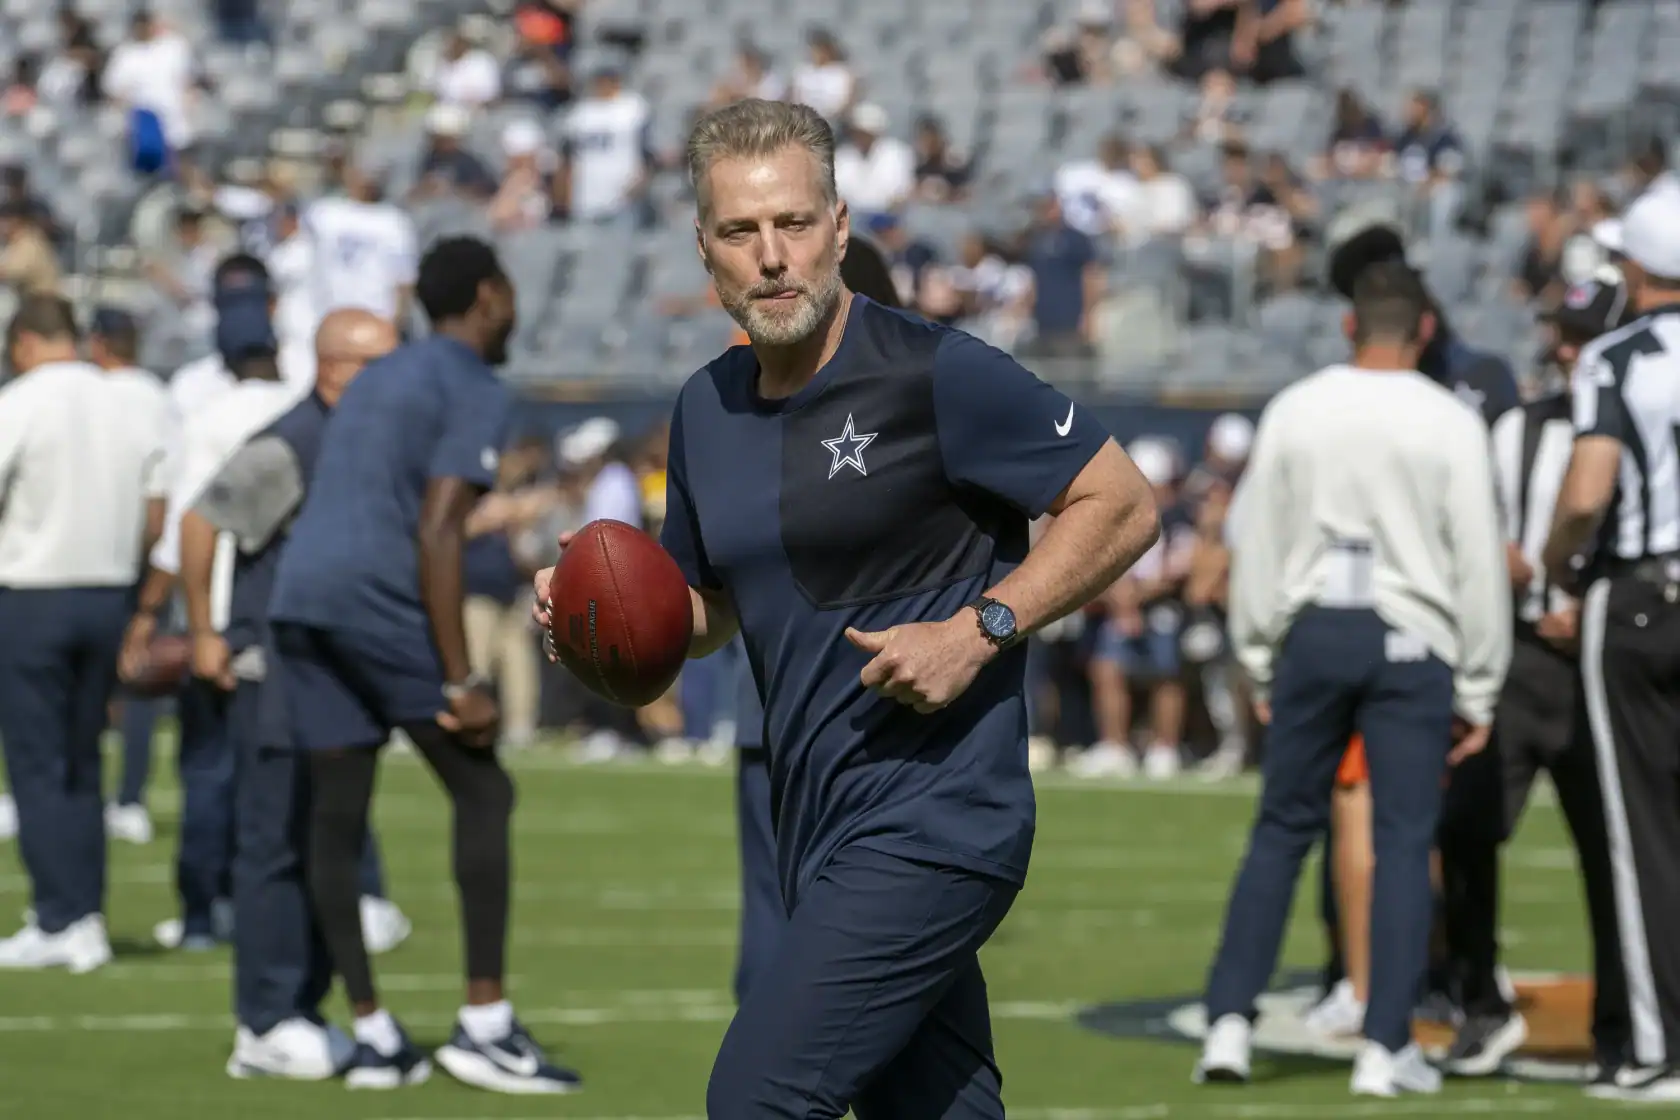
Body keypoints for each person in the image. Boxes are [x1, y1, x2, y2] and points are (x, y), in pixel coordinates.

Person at [534, 98, 1159, 1118]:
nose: (772, 256)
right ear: (706, 251)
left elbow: (1123, 503)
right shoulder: (705, 408)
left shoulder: (936, 373)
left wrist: (979, 628)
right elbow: (708, 615)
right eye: (741, 231)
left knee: (758, 1100)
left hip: (937, 823)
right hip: (814, 829)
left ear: (839, 227)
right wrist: (587, 621)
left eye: (792, 223)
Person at [268, 236, 580, 1094]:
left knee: (337, 814)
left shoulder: (380, 375)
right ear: (488, 294)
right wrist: (457, 680)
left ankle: (372, 1034)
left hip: (301, 598)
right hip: (376, 598)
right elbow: (439, 527)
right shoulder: (470, 381)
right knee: (486, 789)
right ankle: (483, 1025)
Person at [1196, 261, 1509, 1097]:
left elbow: (1256, 537)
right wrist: (1482, 681)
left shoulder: (1297, 407)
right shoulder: (1448, 419)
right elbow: (1477, 556)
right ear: (1426, 331)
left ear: (1348, 327)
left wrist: (1258, 651)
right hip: (1414, 637)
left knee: (1280, 831)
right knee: (1407, 842)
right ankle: (1385, 1042)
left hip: (1314, 634)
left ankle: (1228, 1022)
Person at [180, 309, 401, 1078]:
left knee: (322, 842)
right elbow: (202, 521)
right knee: (273, 843)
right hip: (273, 671)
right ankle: (264, 1019)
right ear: (337, 365)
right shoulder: (290, 441)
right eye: (380, 362)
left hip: (330, 677)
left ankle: (303, 1004)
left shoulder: (359, 438)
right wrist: (206, 631)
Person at [1436, 273, 1633, 1079]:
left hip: (1611, 660)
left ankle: (1629, 1024)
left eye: (1581, 336)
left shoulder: (1656, 421)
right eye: (1560, 331)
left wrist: (1601, 605)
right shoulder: (1514, 427)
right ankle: (1480, 1003)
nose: (1564, 349)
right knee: (1467, 827)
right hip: (1521, 660)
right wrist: (1498, 564)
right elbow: (1473, 527)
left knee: (1626, 851)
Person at [731, 230, 907, 1002]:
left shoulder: (743, 404)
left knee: (779, 919)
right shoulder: (909, 402)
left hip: (774, 707)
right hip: (876, 712)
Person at [123, 254, 310, 952]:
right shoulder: (302, 410)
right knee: (301, 770)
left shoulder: (204, 418)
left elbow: (185, 529)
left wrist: (155, 614)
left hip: (225, 614)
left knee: (208, 769)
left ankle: (204, 913)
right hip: (294, 612)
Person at [1542, 186, 1680, 1103]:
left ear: (1633, 267)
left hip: (1640, 597)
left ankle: (1657, 1045)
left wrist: (1560, 561)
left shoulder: (1617, 357)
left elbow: (1588, 490)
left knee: (1642, 832)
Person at [0, 294, 173, 972]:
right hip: (107, 591)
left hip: (33, 593)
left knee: (39, 766)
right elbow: (156, 504)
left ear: (22, 344)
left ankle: (59, 916)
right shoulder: (121, 400)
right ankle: (85, 914)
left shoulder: (21, 399)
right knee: (81, 762)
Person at [86, 307, 172, 846]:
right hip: (147, 556)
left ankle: (82, 790)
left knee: (73, 680)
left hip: (98, 554)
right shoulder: (160, 397)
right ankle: (129, 798)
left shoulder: (94, 397)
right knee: (136, 679)